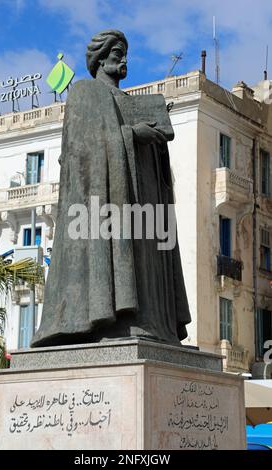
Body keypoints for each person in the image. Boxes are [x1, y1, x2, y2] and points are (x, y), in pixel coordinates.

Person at [31, 30, 191, 347]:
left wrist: (155, 142)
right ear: (101, 58)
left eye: (125, 53)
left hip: (141, 201)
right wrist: (132, 135)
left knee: (146, 254)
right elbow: (79, 150)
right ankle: (115, 319)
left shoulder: (133, 103)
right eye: (118, 53)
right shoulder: (84, 93)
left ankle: (149, 321)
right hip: (105, 208)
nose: (124, 60)